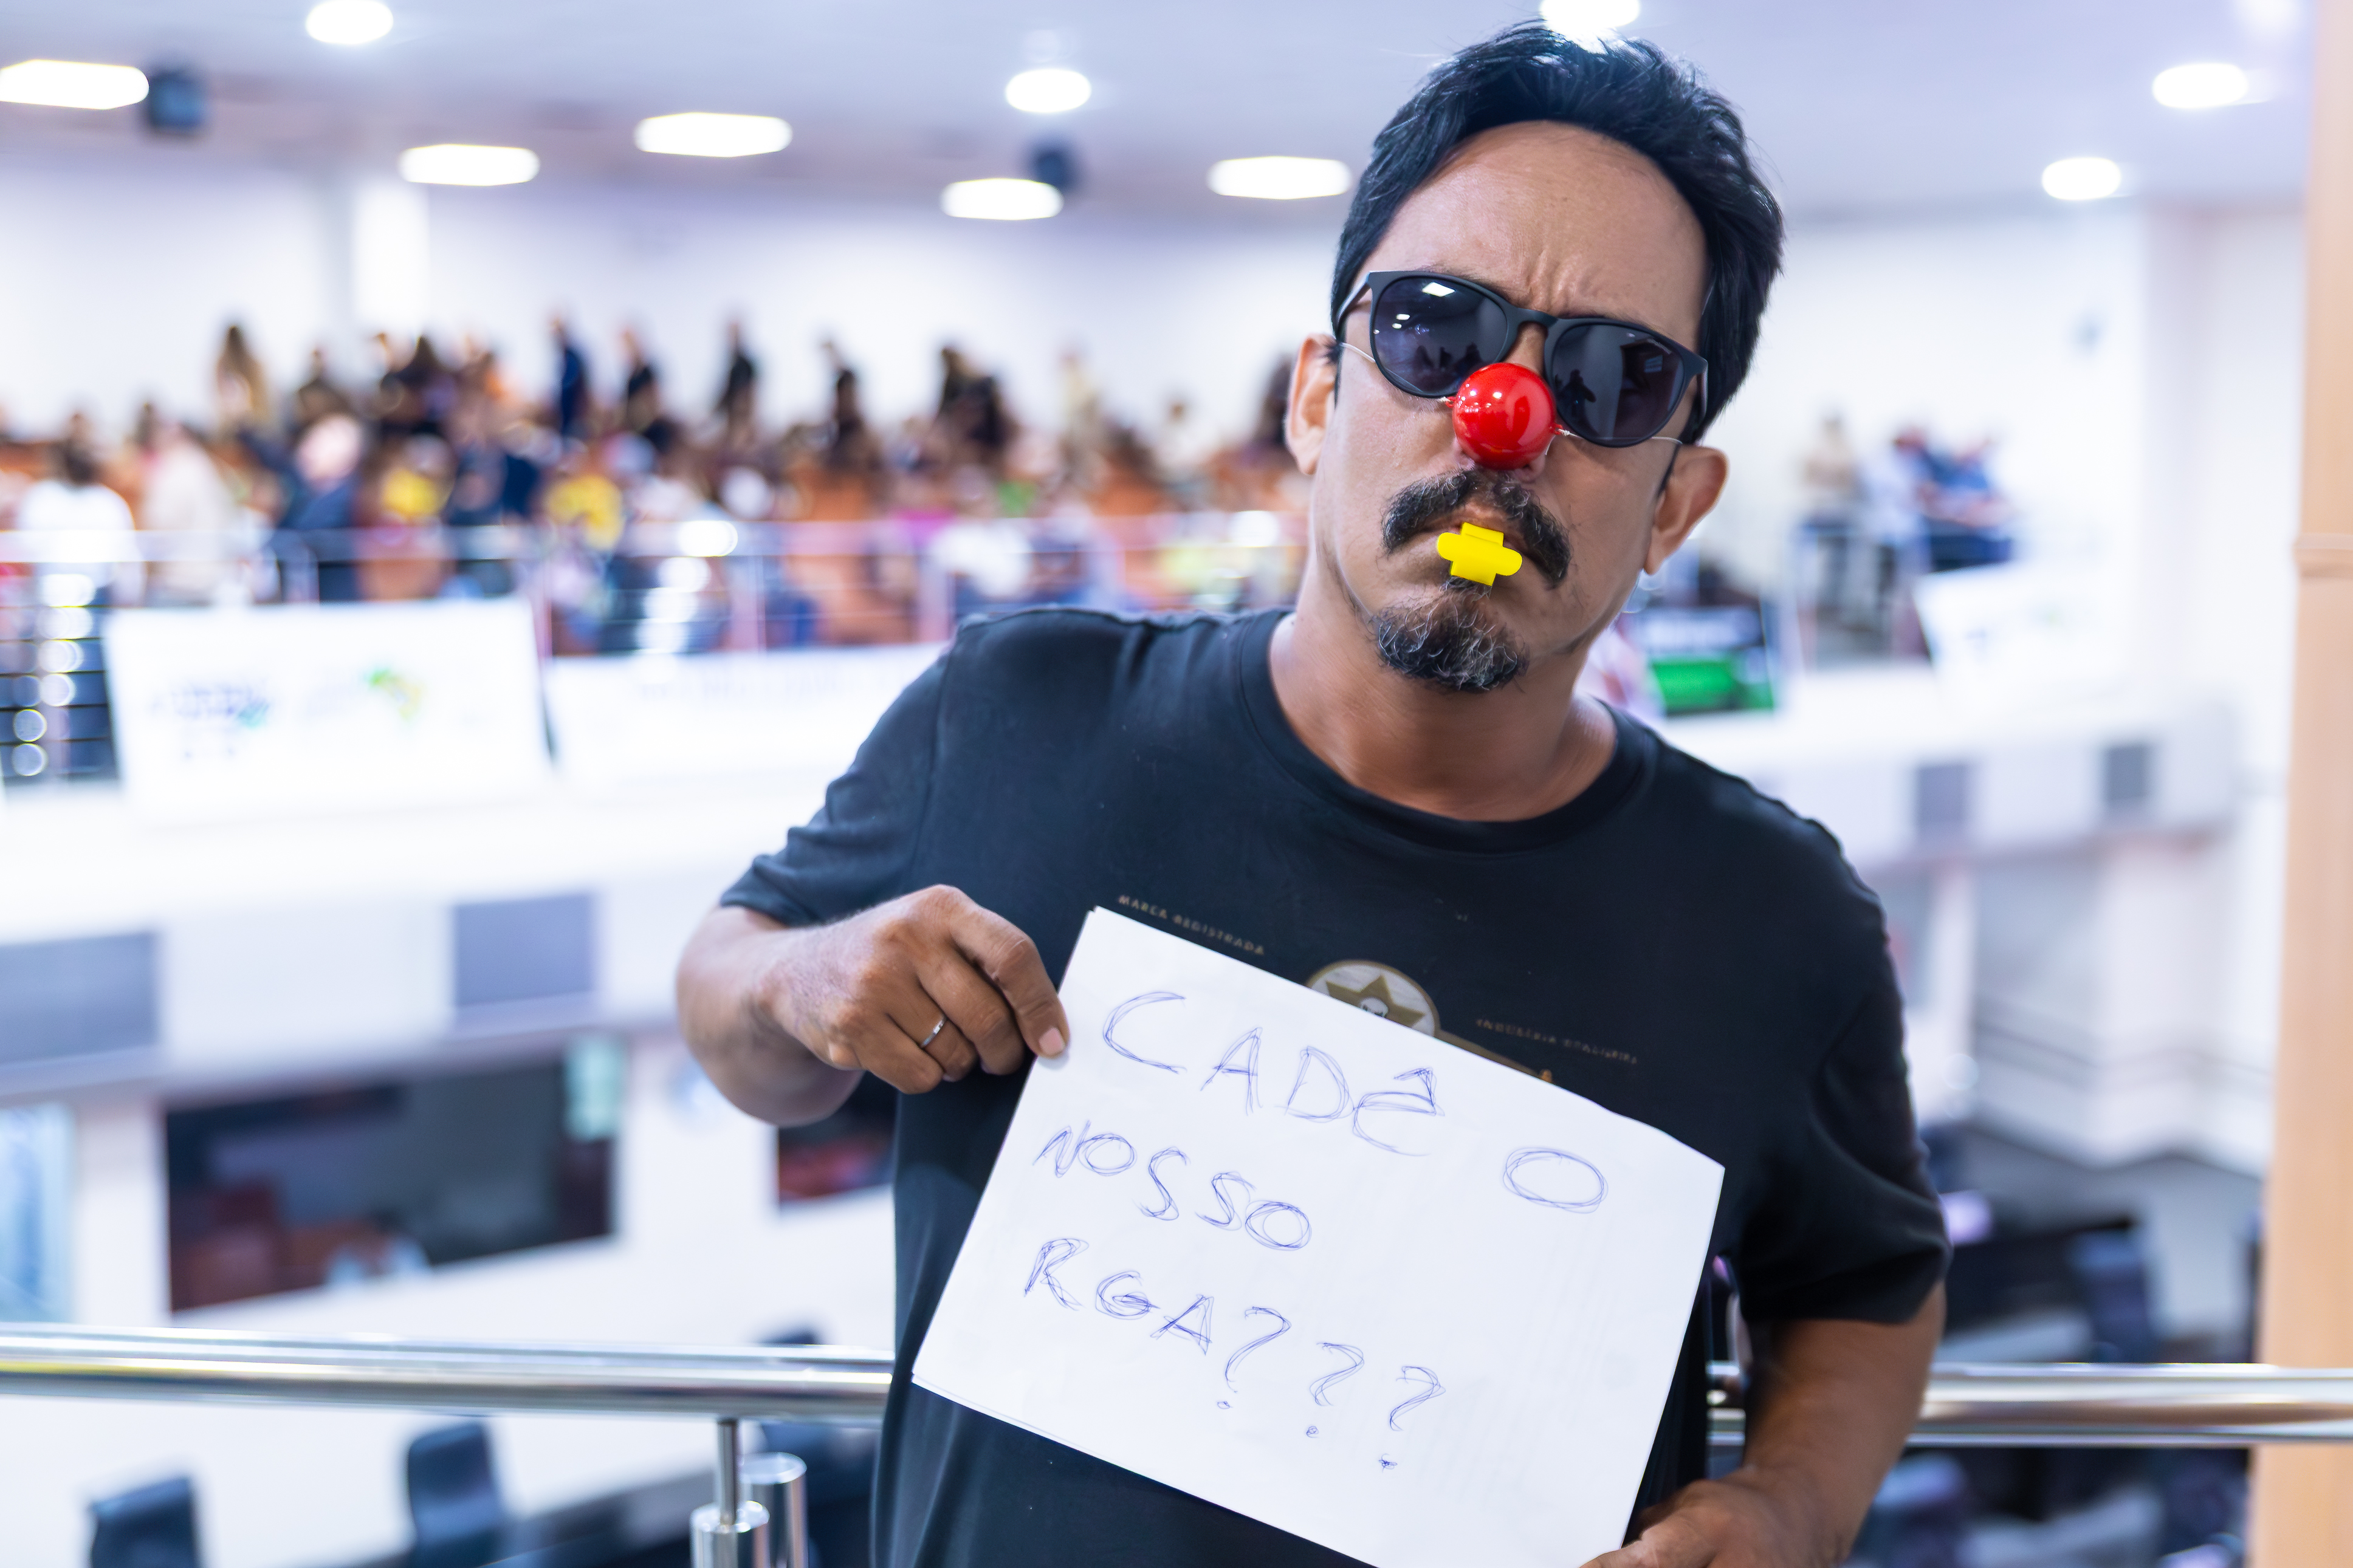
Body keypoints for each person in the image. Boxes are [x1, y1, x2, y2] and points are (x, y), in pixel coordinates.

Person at [678, 26, 1946, 1568]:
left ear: (1675, 500)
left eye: (1612, 380)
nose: (1502, 422)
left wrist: (1786, 1506)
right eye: (1432, 332)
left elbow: (1865, 1286)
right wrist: (801, 980)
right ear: (1315, 398)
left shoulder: (1777, 917)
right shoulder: (1015, 715)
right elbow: (731, 996)